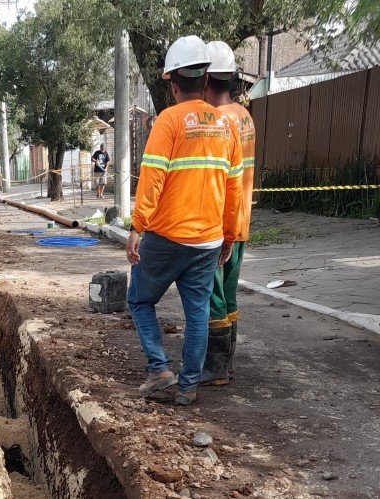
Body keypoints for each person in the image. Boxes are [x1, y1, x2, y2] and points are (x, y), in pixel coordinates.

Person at [125, 36, 243, 406]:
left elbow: (152, 178)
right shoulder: (227, 127)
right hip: (207, 242)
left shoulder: (169, 121)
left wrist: (137, 226)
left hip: (166, 236)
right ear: (205, 80)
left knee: (140, 300)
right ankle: (188, 387)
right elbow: (234, 190)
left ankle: (159, 368)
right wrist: (229, 236)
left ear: (173, 83)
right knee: (197, 315)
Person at [201, 41, 257, 385]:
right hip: (241, 222)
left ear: (206, 80)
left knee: (213, 295)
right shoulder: (244, 117)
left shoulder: (217, 123)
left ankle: (216, 368)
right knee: (230, 293)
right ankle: (228, 363)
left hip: (220, 226)